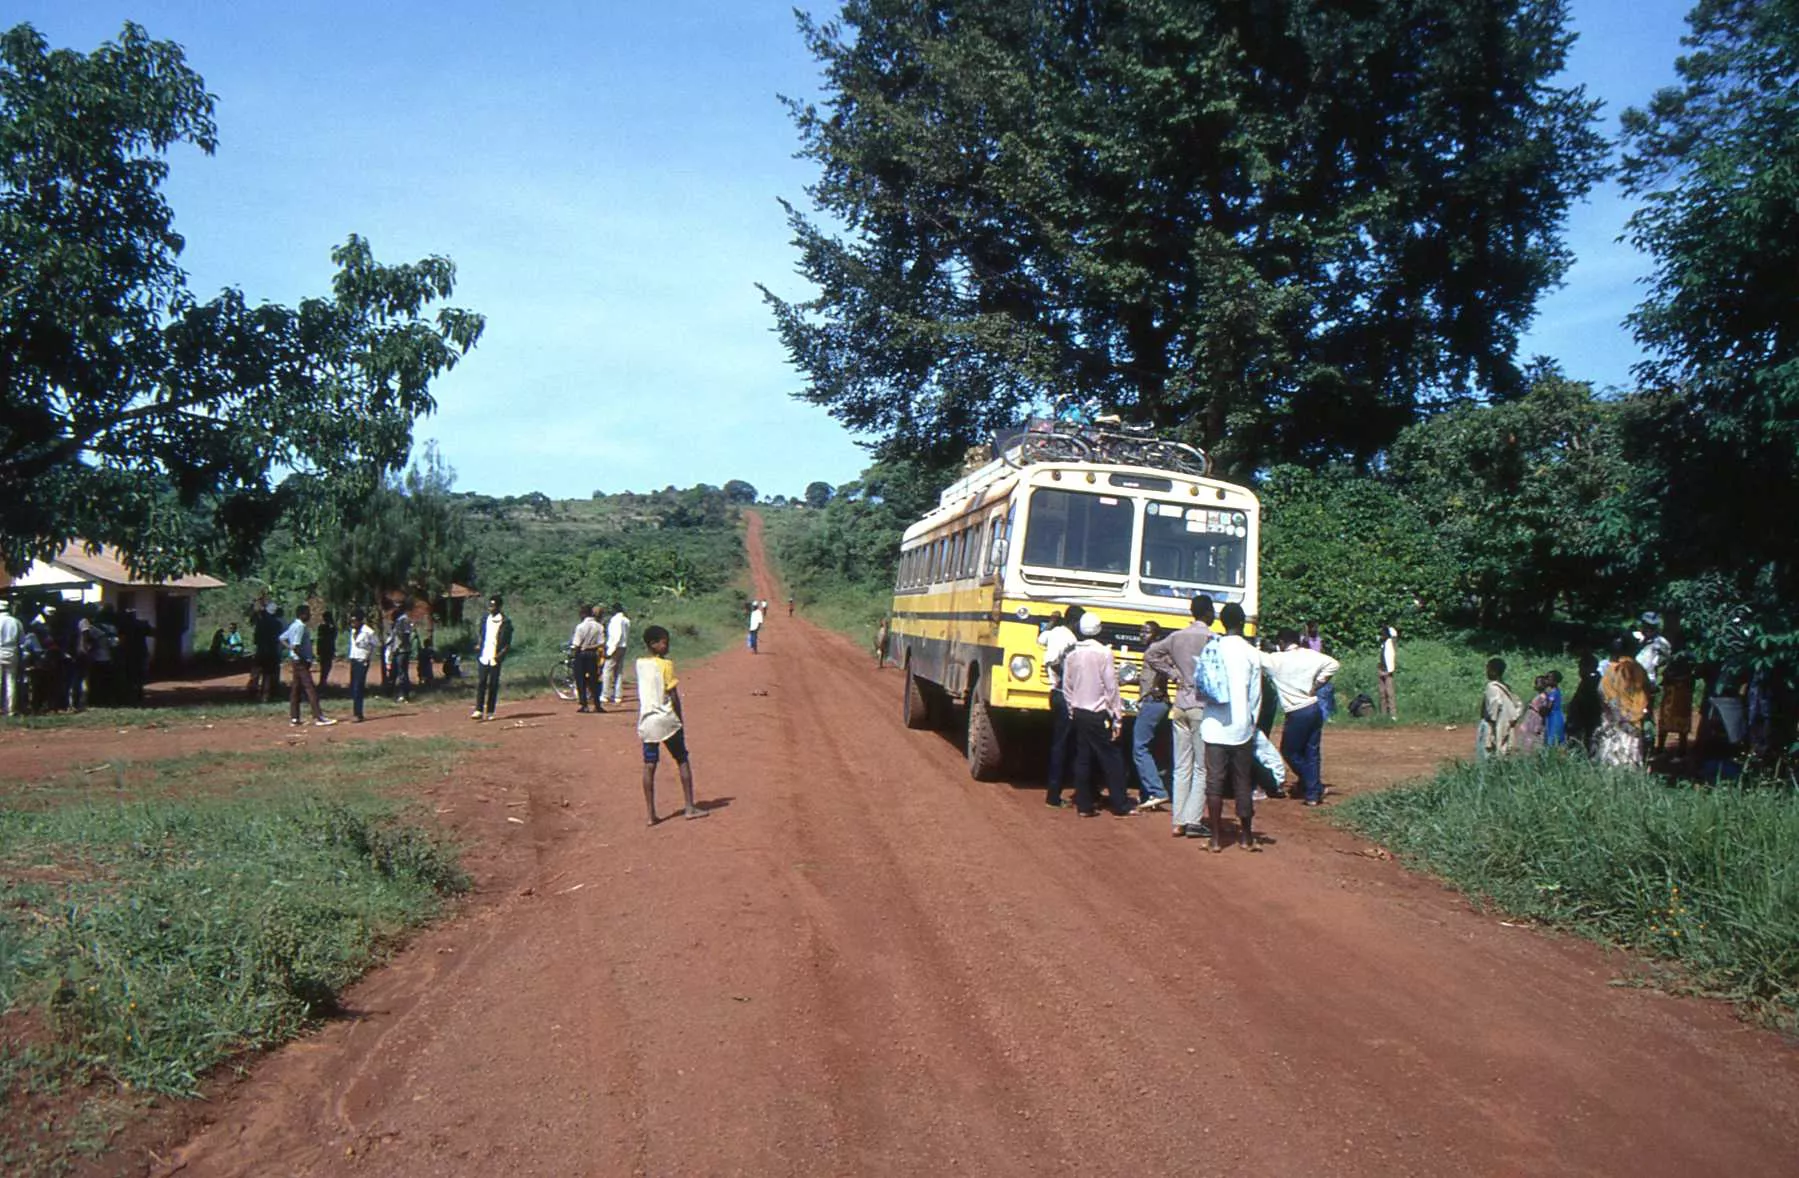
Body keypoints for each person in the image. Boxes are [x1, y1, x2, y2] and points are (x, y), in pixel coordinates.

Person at [1144, 595, 1217, 838]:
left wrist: (1174, 674)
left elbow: (1151, 655)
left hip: (1180, 705)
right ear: (1207, 613)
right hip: (1202, 706)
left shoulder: (1177, 637)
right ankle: (1192, 820)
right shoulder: (1212, 639)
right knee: (1202, 767)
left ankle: (1178, 820)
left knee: (1181, 765)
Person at [1200, 603, 1263, 852]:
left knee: (1214, 782)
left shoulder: (1212, 648)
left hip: (1214, 724)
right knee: (1242, 782)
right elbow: (1256, 695)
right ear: (1242, 622)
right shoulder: (1251, 652)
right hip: (1241, 726)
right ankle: (1246, 837)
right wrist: (1251, 720)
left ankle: (1215, 839)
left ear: (1221, 622)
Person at [1060, 612, 1133, 817]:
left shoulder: (1072, 654)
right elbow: (1111, 688)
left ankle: (1084, 805)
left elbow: (1067, 686)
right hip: (1098, 713)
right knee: (1112, 758)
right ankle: (1120, 804)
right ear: (1099, 629)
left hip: (1079, 712)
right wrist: (1117, 717)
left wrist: (1071, 710)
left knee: (1083, 757)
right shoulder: (1104, 653)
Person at [636, 624, 707, 826]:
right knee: (682, 759)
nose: (667, 646)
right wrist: (680, 719)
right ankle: (689, 807)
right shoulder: (666, 665)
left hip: (647, 721)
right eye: (664, 642)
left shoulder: (640, 664)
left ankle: (651, 815)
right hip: (666, 719)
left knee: (649, 765)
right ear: (654, 644)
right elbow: (673, 695)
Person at [1262, 628, 1340, 806]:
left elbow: (1256, 658)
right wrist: (1318, 683)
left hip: (1296, 711)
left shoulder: (1276, 659)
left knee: (1290, 751)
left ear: (1281, 643)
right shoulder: (1311, 655)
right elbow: (1334, 664)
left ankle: (1313, 785)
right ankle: (1312, 794)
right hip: (1313, 707)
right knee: (1311, 751)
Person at [1039, 606, 1084, 809]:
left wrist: (1052, 621)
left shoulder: (1054, 632)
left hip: (1054, 692)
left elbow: (1041, 639)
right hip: (1063, 693)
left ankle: (1054, 793)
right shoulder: (1070, 640)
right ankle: (1054, 795)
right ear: (1075, 622)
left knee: (1061, 743)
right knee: (1064, 745)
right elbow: (1055, 662)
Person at [1130, 620, 1172, 811]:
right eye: (1141, 631)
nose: (1142, 635)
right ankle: (1150, 792)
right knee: (1153, 747)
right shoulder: (1157, 652)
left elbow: (1166, 672)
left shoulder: (1153, 653)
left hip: (1153, 703)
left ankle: (1156, 791)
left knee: (1140, 747)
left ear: (1155, 635)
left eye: (1146, 632)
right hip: (1159, 703)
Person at [1597, 638, 1650, 768]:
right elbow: (1648, 690)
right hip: (1634, 721)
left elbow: (1602, 692)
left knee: (1613, 754)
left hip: (1614, 720)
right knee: (1632, 752)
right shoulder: (1640, 670)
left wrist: (1612, 712)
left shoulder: (1613, 670)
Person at [280, 605, 335, 727]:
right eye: (308, 613)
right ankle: (318, 717)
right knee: (310, 688)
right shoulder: (300, 627)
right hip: (301, 661)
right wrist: (305, 658)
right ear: (302, 615)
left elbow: (282, 638)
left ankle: (294, 717)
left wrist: (290, 649)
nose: (310, 616)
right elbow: (297, 645)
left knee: (296, 689)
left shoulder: (293, 625)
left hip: (295, 660)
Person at [472, 595, 512, 721]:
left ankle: (490, 711)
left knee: (493, 684)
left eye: (493, 606)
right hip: (484, 654)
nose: (491, 608)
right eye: (489, 605)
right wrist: (479, 645)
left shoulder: (505, 622)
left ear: (499, 607)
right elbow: (481, 634)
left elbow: (507, 643)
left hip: (496, 656)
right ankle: (478, 709)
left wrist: (501, 654)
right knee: (481, 682)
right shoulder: (485, 619)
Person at [1476, 658, 1524, 759]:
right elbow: (1518, 704)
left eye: (1488, 669)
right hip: (1504, 723)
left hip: (1491, 724)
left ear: (1494, 671)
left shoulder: (1492, 687)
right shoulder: (1506, 687)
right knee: (1502, 749)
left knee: (1487, 751)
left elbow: (1494, 706)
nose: (1486, 672)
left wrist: (1491, 720)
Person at [1656, 651, 1695, 755]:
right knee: (1680, 728)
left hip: (1673, 703)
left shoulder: (1673, 671)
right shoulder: (1687, 675)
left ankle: (1661, 749)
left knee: (1667, 727)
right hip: (1677, 703)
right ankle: (1679, 751)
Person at [570, 603, 605, 713]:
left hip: (581, 654)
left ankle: (584, 704)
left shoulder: (580, 627)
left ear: (583, 614)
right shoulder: (599, 626)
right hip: (592, 654)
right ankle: (597, 704)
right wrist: (591, 646)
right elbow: (602, 643)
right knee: (594, 679)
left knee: (580, 680)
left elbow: (576, 644)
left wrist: (574, 653)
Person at [1565, 654, 1603, 754]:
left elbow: (1586, 702)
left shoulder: (1592, 681)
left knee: (1588, 743)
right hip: (1584, 718)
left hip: (1587, 719)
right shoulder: (1588, 680)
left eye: (1581, 667)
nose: (1579, 670)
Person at [347, 609, 378, 722]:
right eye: (351, 621)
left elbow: (375, 644)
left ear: (360, 621)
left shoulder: (368, 632)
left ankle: (358, 713)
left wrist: (368, 657)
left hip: (362, 660)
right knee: (353, 686)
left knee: (358, 686)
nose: (353, 623)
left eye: (355, 621)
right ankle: (355, 711)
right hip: (354, 659)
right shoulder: (353, 631)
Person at [603, 602, 631, 706]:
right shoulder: (626, 620)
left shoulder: (616, 620)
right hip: (623, 646)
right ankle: (618, 695)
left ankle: (605, 695)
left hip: (615, 647)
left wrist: (610, 650)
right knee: (618, 671)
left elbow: (617, 635)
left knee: (607, 670)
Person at [386, 606, 414, 703]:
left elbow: (405, 635)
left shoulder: (404, 620)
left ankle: (404, 694)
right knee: (394, 672)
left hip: (402, 651)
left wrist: (398, 647)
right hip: (396, 650)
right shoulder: (397, 621)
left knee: (402, 673)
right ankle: (393, 693)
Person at [1518, 675, 1549, 753]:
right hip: (1531, 717)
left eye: (1537, 683)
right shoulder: (1539, 695)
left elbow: (1543, 711)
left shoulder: (1543, 697)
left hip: (1535, 718)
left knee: (1532, 735)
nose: (1536, 685)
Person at [0, 601, 20, 718]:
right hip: (12, 651)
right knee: (11, 681)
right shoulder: (15, 621)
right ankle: (11, 709)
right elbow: (21, 640)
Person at [1377, 624, 1399, 719]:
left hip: (1387, 670)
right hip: (1381, 669)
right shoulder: (1383, 643)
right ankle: (1384, 713)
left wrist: (1389, 671)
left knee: (1389, 693)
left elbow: (1394, 633)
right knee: (1382, 693)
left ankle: (1393, 714)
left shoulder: (1390, 642)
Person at [1543, 670, 1567, 748]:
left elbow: (1549, 706)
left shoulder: (1552, 693)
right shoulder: (1556, 691)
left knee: (1552, 736)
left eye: (1549, 678)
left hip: (1553, 717)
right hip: (1557, 715)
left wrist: (1542, 711)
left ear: (1555, 680)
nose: (1547, 680)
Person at [315, 611, 338, 687]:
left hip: (325, 648)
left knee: (325, 665)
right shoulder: (327, 627)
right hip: (327, 647)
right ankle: (323, 681)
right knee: (326, 665)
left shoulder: (324, 627)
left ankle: (323, 681)